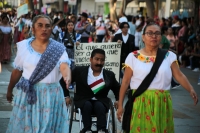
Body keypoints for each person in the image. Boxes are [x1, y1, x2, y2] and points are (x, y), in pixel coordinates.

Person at [117, 23, 198, 133]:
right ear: (143, 37)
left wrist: (190, 89)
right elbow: (125, 82)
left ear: (161, 37)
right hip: (141, 102)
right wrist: (120, 105)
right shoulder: (133, 57)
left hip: (162, 102)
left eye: (157, 33)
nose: (153, 36)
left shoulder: (169, 56)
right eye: (149, 33)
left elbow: (178, 75)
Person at [6, 15, 71, 132]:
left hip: (51, 96)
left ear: (51, 29)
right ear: (33, 29)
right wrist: (9, 90)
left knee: (48, 127)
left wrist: (67, 76)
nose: (44, 29)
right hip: (27, 95)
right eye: (40, 25)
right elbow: (17, 71)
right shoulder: (24, 47)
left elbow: (64, 65)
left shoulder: (59, 48)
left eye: (47, 26)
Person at [63, 49, 120, 133]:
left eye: (102, 60)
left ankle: (102, 130)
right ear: (91, 59)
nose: (99, 63)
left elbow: (117, 88)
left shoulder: (109, 75)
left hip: (101, 101)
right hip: (83, 100)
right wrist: (67, 96)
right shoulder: (79, 71)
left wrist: (118, 100)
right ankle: (87, 130)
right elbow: (64, 80)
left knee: (99, 105)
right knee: (87, 105)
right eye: (97, 59)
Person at [59, 20, 81, 90]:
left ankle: (72, 82)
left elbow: (79, 43)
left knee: (73, 67)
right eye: (69, 25)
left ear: (73, 26)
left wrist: (76, 43)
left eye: (72, 25)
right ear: (66, 26)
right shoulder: (62, 34)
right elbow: (60, 43)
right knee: (65, 66)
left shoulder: (77, 35)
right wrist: (73, 42)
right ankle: (65, 82)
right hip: (64, 52)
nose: (70, 26)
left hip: (73, 52)